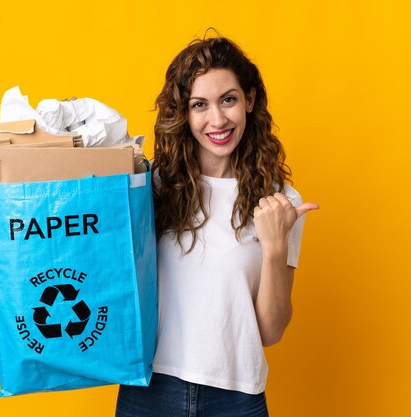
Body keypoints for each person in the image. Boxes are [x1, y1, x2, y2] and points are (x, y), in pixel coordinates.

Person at [116, 35, 319, 417]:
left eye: (228, 99)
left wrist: (275, 248)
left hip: (236, 399)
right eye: (200, 105)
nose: (218, 119)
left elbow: (271, 332)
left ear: (250, 100)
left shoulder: (280, 203)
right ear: (183, 113)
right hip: (149, 392)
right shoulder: (151, 188)